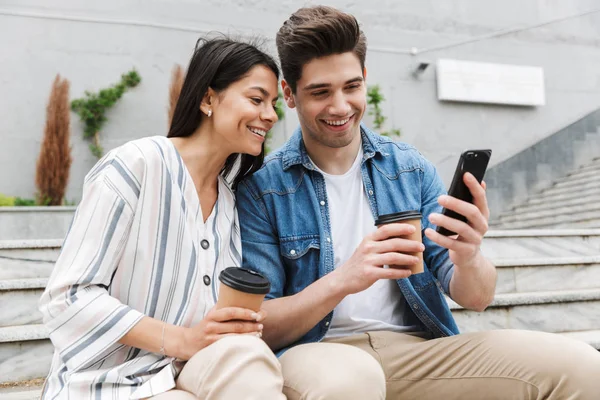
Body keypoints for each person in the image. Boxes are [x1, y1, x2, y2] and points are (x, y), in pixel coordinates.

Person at [236, 6, 600, 399]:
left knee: (580, 366)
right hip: (317, 355)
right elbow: (259, 324)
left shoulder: (409, 169)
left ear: (365, 80)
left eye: (352, 87)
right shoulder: (262, 187)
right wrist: (344, 279)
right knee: (352, 380)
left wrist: (469, 254)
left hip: (418, 351)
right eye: (321, 92)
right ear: (289, 94)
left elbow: (477, 297)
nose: (340, 106)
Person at [39, 37, 286, 400]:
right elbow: (68, 296)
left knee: (248, 359)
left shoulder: (231, 200)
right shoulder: (136, 165)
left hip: (184, 370)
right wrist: (181, 339)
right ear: (207, 99)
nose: (271, 115)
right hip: (105, 381)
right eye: (256, 99)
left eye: (273, 104)